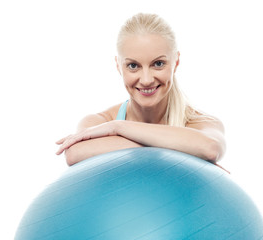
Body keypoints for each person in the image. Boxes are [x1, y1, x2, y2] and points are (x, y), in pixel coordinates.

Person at [56, 13, 226, 167]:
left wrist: (119, 128)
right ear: (118, 66)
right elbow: (74, 153)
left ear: (176, 62)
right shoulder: (100, 122)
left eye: (158, 64)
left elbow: (210, 147)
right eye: (133, 66)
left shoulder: (200, 122)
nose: (146, 80)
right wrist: (185, 150)